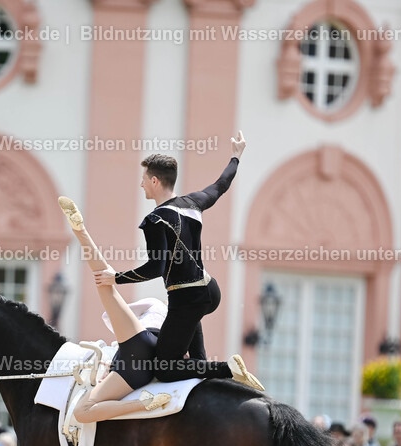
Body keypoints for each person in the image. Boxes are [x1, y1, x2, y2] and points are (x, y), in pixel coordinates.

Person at [65, 132, 263, 389]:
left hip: (187, 297)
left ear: (155, 181)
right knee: (196, 362)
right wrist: (236, 156)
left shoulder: (155, 220)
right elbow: (221, 185)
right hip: (208, 290)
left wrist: (116, 277)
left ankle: (228, 369)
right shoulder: (194, 202)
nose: (141, 184)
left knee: (165, 368)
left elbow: (156, 267)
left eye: (144, 179)